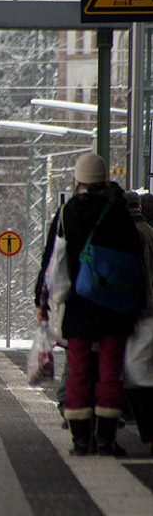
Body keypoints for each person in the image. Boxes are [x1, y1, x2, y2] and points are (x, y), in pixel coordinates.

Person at [35, 153, 143, 455]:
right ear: (104, 179)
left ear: (78, 180)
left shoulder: (67, 212)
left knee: (79, 372)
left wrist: (41, 300)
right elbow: (135, 264)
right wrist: (137, 304)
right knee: (111, 373)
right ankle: (107, 439)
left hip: (78, 306)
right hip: (114, 306)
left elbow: (51, 260)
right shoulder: (118, 212)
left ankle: (81, 440)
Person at [124, 191, 153, 453]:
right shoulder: (148, 231)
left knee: (135, 372)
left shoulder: (131, 235)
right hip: (148, 311)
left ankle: (147, 429)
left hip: (141, 313)